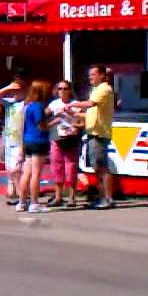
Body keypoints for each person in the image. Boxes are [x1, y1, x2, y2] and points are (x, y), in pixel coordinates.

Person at [71, 65, 116, 209]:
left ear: (102, 75)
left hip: (99, 134)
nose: (90, 77)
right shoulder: (96, 90)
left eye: (93, 74)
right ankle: (102, 196)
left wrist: (73, 104)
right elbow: (91, 112)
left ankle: (108, 198)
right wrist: (72, 113)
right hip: (92, 133)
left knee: (102, 167)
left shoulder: (104, 88)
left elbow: (90, 104)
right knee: (97, 167)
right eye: (89, 75)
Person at [0, 68, 29, 207]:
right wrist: (8, 87)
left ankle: (22, 195)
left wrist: (21, 89)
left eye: (18, 90)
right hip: (9, 137)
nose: (15, 92)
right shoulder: (9, 101)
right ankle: (18, 193)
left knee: (20, 168)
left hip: (22, 137)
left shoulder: (26, 101)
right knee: (11, 167)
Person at [17, 80, 52, 213]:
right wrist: (54, 122)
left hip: (28, 141)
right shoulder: (38, 106)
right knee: (36, 174)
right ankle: (34, 203)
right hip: (39, 141)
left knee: (27, 172)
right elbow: (41, 126)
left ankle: (22, 202)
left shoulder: (28, 106)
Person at [47, 80, 81, 208]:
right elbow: (44, 115)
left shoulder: (75, 104)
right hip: (56, 138)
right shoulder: (54, 104)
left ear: (70, 90)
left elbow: (83, 122)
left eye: (65, 88)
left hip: (71, 138)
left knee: (71, 168)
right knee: (57, 167)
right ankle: (58, 196)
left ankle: (72, 197)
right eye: (60, 88)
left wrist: (75, 125)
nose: (62, 91)